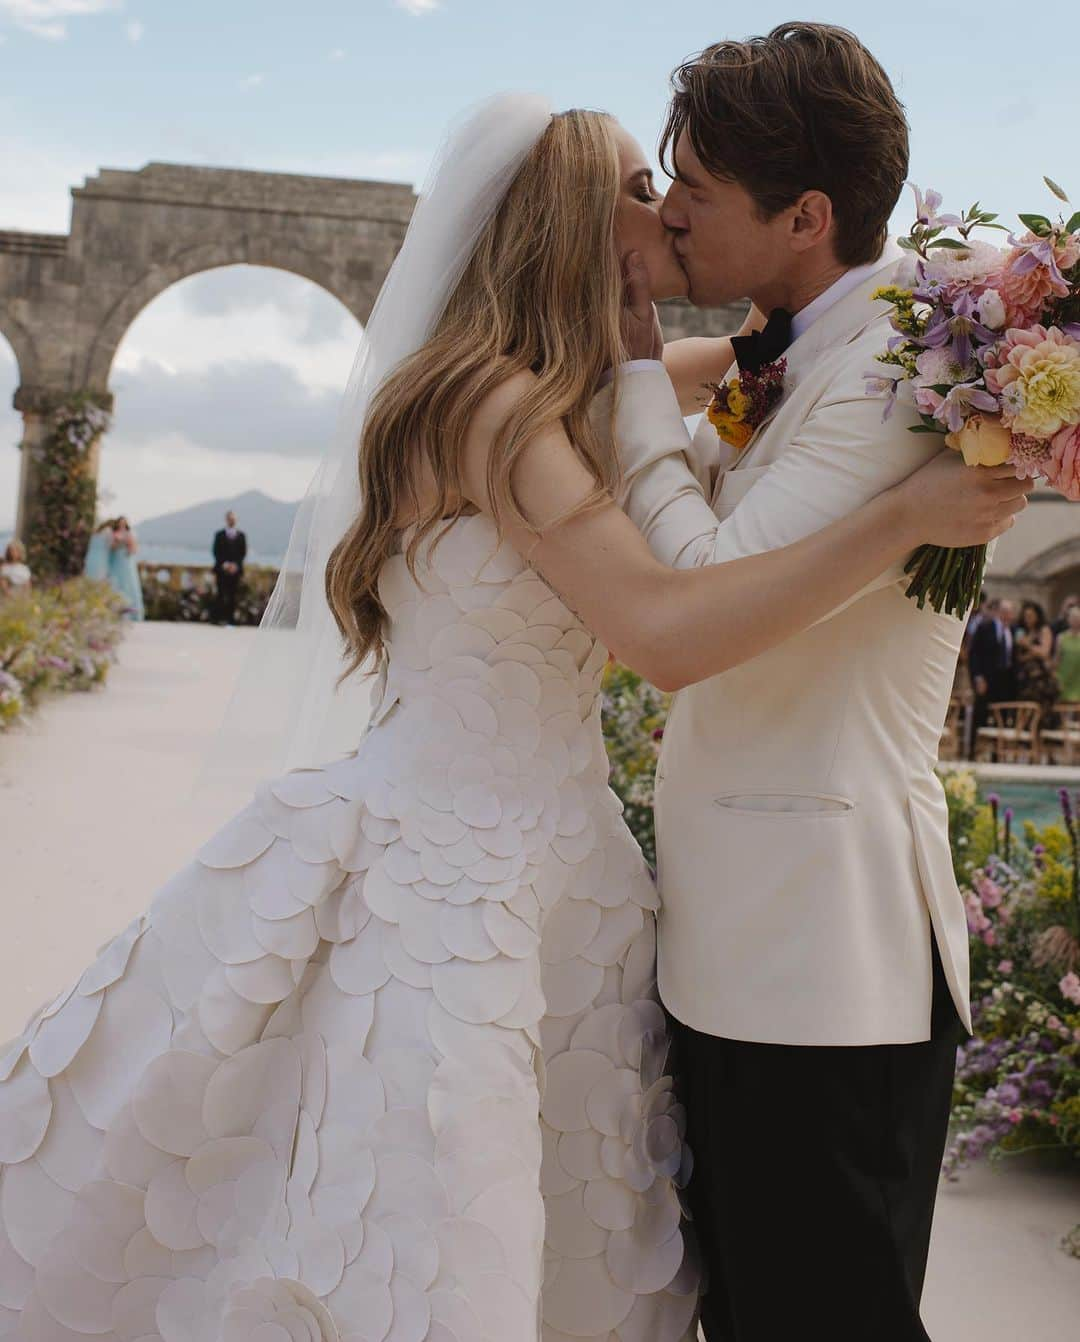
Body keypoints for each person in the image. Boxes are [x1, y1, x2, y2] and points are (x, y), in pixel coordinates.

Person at [0, 94, 1027, 1339]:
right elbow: (661, 631)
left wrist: (963, 321)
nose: (667, 212)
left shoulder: (561, 387)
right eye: (643, 190)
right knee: (436, 1214)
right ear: (568, 224)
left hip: (560, 863)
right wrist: (901, 517)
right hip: (457, 873)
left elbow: (762, 363)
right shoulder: (493, 410)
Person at [599, 25, 1030, 1341]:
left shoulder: (898, 367)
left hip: (826, 969)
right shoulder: (786, 343)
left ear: (805, 214)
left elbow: (705, 587)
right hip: (740, 946)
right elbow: (694, 459)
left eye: (698, 190)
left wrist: (625, 357)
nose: (671, 211)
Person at [968, 595, 1015, 749]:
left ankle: (997, 752)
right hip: (987, 679)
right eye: (1004, 611)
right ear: (997, 612)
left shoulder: (1013, 631)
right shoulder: (985, 627)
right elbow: (974, 654)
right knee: (980, 714)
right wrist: (978, 678)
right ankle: (973, 750)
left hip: (1005, 681)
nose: (1006, 615)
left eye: (1009, 612)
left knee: (1001, 717)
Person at [83, 516, 145, 620]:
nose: (122, 524)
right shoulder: (111, 533)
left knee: (128, 585)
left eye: (124, 522)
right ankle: (115, 610)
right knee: (114, 585)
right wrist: (117, 544)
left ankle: (130, 612)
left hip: (125, 562)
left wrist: (125, 546)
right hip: (115, 563)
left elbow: (133, 549)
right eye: (120, 522)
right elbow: (110, 547)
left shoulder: (129, 534)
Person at [1015, 599, 1059, 714]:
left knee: (1039, 711)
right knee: (1024, 709)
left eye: (1030, 616)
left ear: (1037, 616)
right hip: (1026, 677)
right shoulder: (1024, 632)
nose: (1027, 619)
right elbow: (1020, 657)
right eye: (1025, 616)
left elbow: (1044, 652)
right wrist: (1032, 653)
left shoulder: (1044, 630)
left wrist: (1028, 645)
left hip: (1040, 678)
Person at [212, 509, 247, 625]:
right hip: (222, 570)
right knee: (221, 594)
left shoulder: (241, 535)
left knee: (233, 595)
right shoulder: (219, 535)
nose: (232, 520)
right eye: (230, 518)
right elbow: (216, 551)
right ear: (226, 520)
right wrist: (225, 564)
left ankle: (231, 619)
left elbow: (243, 553)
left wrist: (235, 565)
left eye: (233, 519)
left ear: (236, 520)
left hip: (235, 571)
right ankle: (218, 619)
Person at [1055, 604, 1080, 702]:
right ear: (1068, 619)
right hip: (1063, 676)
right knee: (1063, 706)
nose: (1075, 620)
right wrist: (1056, 678)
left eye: (1078, 618)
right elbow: (1057, 658)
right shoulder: (1061, 637)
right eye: (1073, 618)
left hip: (1078, 678)